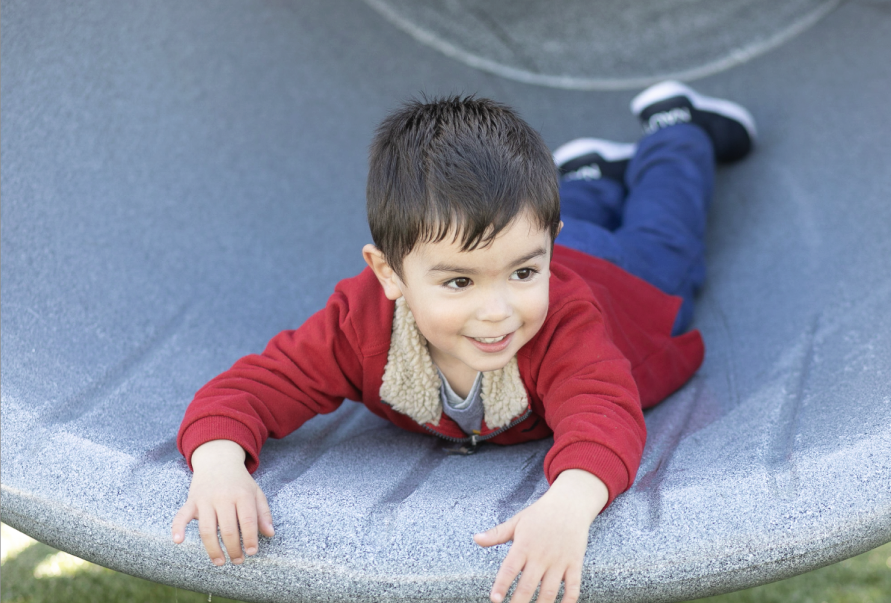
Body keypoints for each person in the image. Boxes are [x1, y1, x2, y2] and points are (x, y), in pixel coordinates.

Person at [171, 80, 755, 603]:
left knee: (665, 237)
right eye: (458, 282)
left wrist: (571, 503)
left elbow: (603, 411)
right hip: (542, 239)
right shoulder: (360, 325)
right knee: (516, 239)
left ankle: (675, 130)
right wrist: (220, 462)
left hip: (623, 282)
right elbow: (250, 387)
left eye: (525, 275)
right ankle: (586, 181)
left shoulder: (563, 322)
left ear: (547, 249)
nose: (497, 312)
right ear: (390, 274)